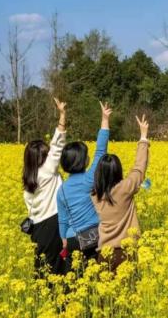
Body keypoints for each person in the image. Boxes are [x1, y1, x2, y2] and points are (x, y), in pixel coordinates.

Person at [57, 101, 112, 274]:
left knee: (75, 284)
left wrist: (63, 239)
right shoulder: (89, 180)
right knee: (99, 280)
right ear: (83, 161)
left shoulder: (62, 190)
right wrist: (104, 119)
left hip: (74, 240)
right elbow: (100, 151)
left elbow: (63, 220)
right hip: (95, 237)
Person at [91, 114, 150, 272]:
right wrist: (143, 137)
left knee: (106, 296)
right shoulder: (125, 188)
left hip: (104, 255)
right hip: (126, 253)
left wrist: (104, 121)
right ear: (118, 171)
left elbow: (98, 157)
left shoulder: (94, 195)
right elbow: (139, 167)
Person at [23, 98, 67, 278]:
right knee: (58, 268)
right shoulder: (47, 171)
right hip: (53, 225)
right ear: (43, 157)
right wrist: (62, 115)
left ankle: (43, 300)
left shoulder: (28, 179)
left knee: (43, 267)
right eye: (47, 153)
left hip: (37, 229)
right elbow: (58, 145)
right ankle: (60, 304)